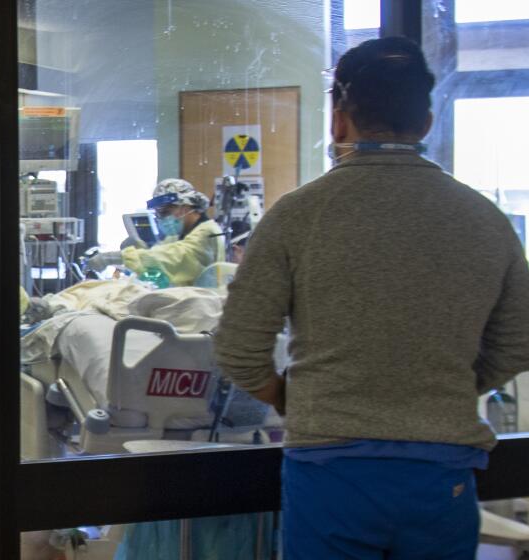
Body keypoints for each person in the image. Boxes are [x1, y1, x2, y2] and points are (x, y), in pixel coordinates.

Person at [214, 37, 529, 559]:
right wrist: (441, 386)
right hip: (441, 467)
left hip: (331, 467)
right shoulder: (486, 221)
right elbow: (517, 343)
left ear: (339, 120)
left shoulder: (297, 215)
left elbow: (237, 348)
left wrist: (288, 396)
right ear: (426, 122)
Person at [88, 178, 225, 286]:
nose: (162, 219)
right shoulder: (179, 235)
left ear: (185, 206)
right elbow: (159, 254)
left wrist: (119, 257)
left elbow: (174, 256)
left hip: (200, 308)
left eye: (165, 212)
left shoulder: (208, 232)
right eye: (158, 214)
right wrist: (143, 251)